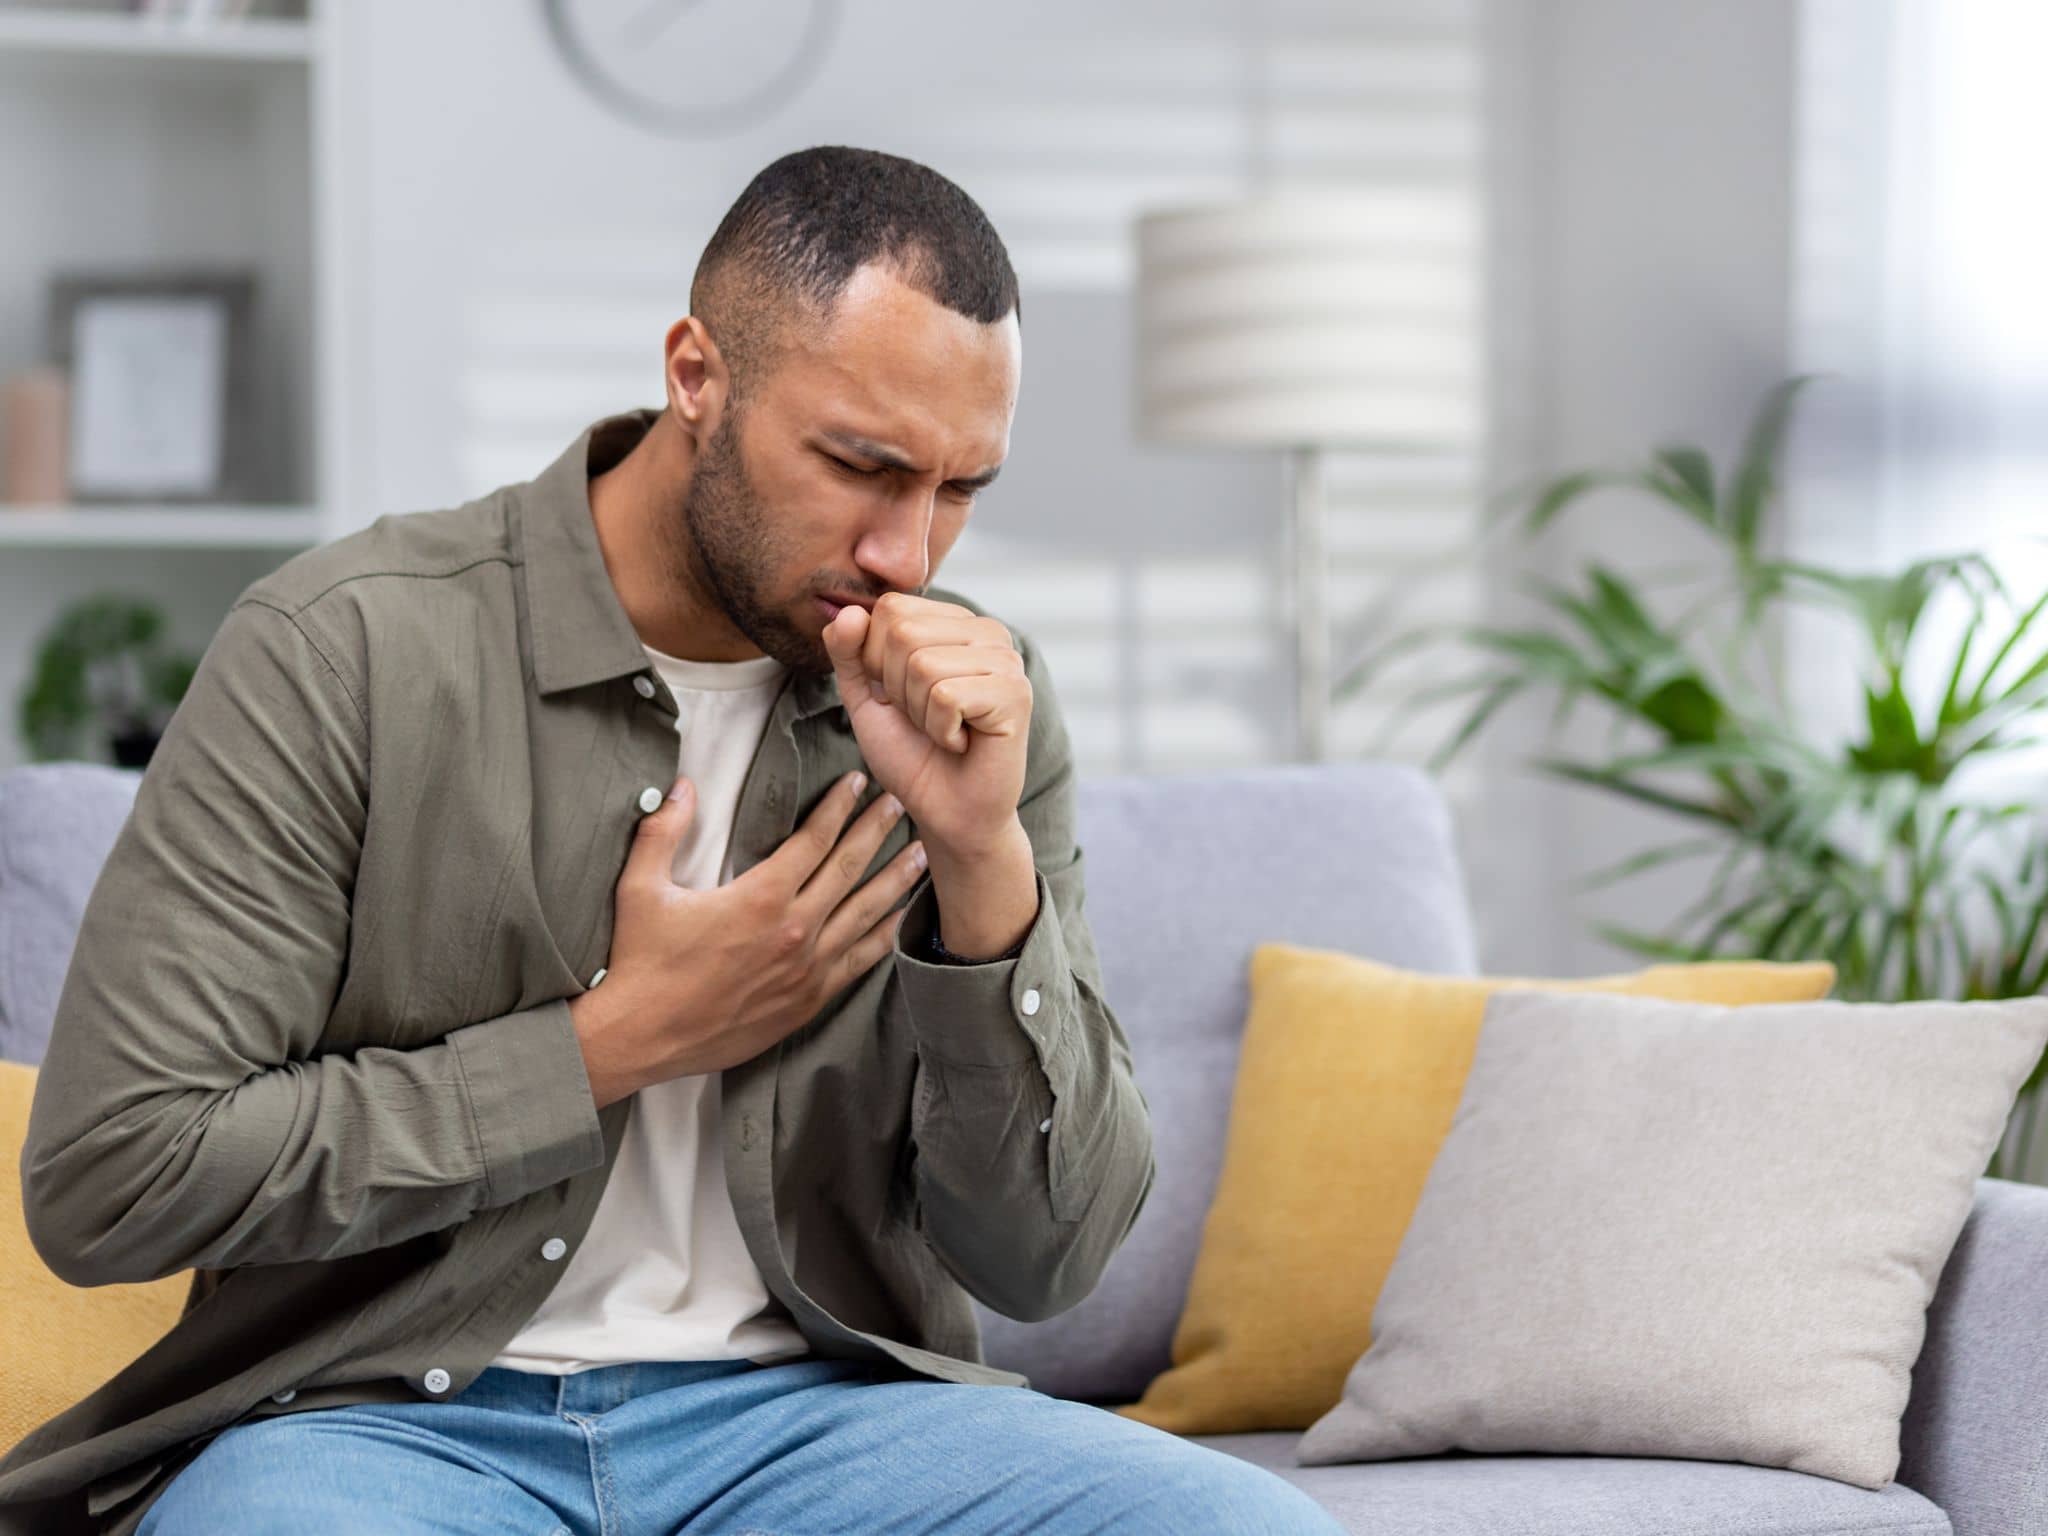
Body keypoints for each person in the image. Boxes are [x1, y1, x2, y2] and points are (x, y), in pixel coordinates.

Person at [2, 145, 1346, 1536]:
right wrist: (612, 1043)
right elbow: (117, 1172)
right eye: (860, 464)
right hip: (378, 1425)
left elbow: (1044, 1261)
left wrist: (983, 872)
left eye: (960, 489)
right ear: (696, 375)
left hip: (816, 1427)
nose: (910, 555)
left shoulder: (977, 706)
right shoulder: (343, 649)